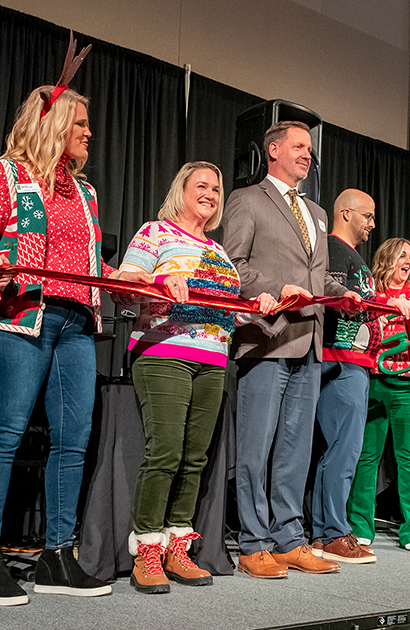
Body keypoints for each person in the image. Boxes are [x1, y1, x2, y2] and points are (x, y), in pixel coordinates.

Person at [0, 83, 113, 604]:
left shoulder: (86, 192)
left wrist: (138, 280)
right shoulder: (6, 174)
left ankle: (57, 556)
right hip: (21, 315)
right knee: (5, 433)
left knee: (73, 441)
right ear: (52, 125)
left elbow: (87, 262)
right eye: (79, 124)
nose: (89, 132)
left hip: (76, 320)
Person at [111, 162, 275, 593]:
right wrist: (161, 279)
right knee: (164, 451)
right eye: (201, 185)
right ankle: (147, 549)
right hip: (164, 354)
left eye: (216, 188)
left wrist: (256, 306)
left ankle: (177, 547)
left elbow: (228, 313)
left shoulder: (220, 252)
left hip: (214, 361)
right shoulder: (155, 234)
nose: (210, 193)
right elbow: (124, 283)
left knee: (194, 457)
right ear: (179, 190)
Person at [220, 121, 357, 579]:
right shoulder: (247, 199)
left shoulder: (317, 213)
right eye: (299, 147)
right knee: (256, 449)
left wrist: (347, 296)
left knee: (296, 451)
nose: (307, 155)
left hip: (310, 343)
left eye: (310, 149)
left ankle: (289, 539)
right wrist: (280, 288)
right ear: (273, 150)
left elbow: (319, 279)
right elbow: (232, 267)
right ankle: (253, 541)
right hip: (267, 338)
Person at [310, 189, 410, 564]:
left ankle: (327, 532)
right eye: (367, 216)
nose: (372, 224)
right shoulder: (333, 249)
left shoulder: (353, 257)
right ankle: (333, 531)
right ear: (346, 213)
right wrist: (387, 303)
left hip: (356, 363)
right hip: (340, 361)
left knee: (340, 451)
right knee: (345, 451)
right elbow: (336, 299)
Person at [347, 238, 410, 551]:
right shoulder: (370, 294)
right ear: (387, 258)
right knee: (367, 457)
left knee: (409, 458)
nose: (409, 261)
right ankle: (361, 526)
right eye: (403, 255)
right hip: (375, 382)